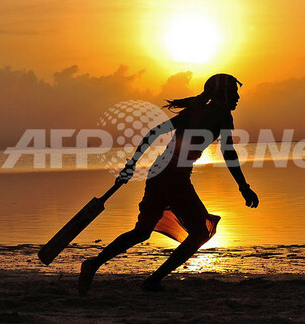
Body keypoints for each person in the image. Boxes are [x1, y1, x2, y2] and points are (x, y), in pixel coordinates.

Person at [78, 74, 259, 294]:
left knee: (142, 232)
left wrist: (132, 165)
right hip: (174, 176)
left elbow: (154, 132)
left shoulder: (194, 110)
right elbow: (228, 153)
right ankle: (153, 280)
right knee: (200, 233)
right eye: (234, 92)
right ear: (223, 94)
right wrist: (244, 187)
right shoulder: (221, 116)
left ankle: (93, 264)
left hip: (157, 172)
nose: (238, 97)